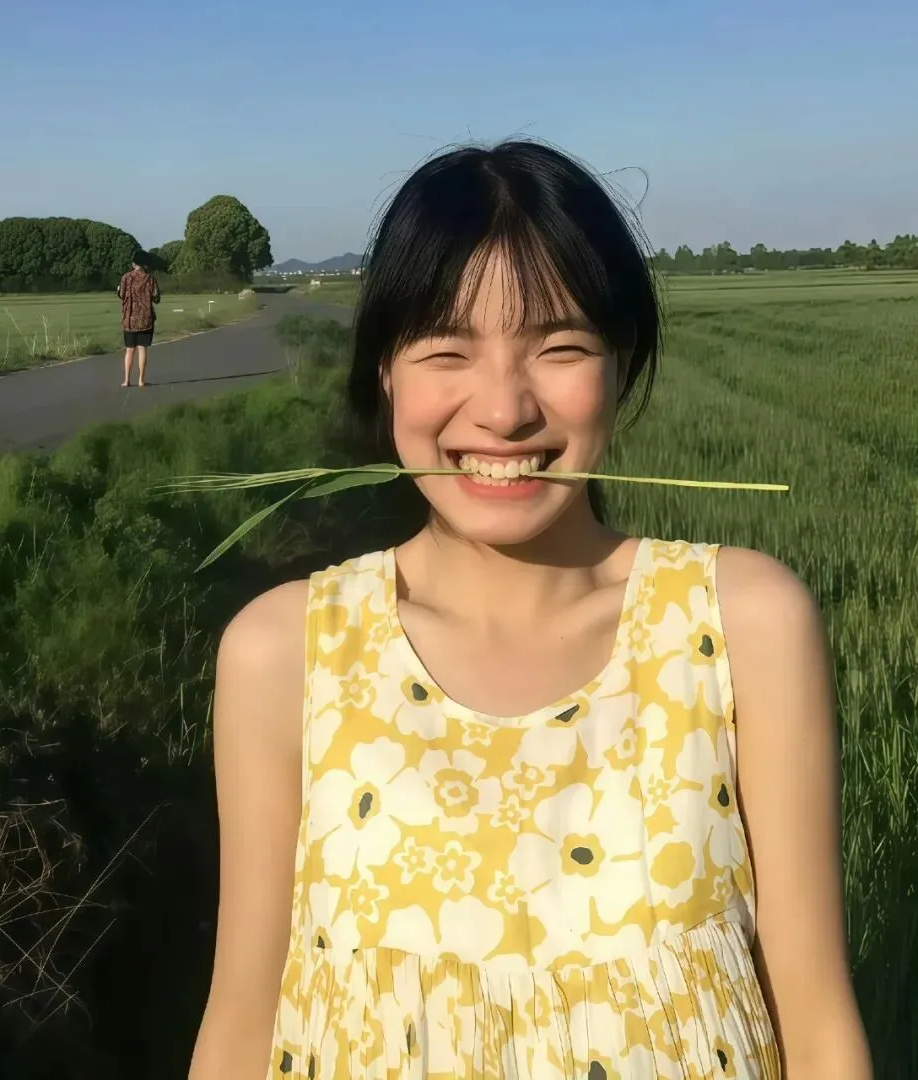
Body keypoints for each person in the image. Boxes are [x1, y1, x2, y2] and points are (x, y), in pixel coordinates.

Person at [188, 141, 872, 1079]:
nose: (504, 410)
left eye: (559, 348)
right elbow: (241, 1023)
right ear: (385, 372)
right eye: (446, 351)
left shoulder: (741, 625)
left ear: (620, 365)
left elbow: (818, 1024)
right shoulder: (286, 651)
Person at [117, 250, 160, 387]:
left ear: (134, 263)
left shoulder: (126, 277)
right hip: (145, 319)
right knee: (142, 349)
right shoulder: (150, 279)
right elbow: (156, 298)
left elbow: (121, 294)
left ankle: (126, 380)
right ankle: (141, 380)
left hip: (129, 319)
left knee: (129, 350)